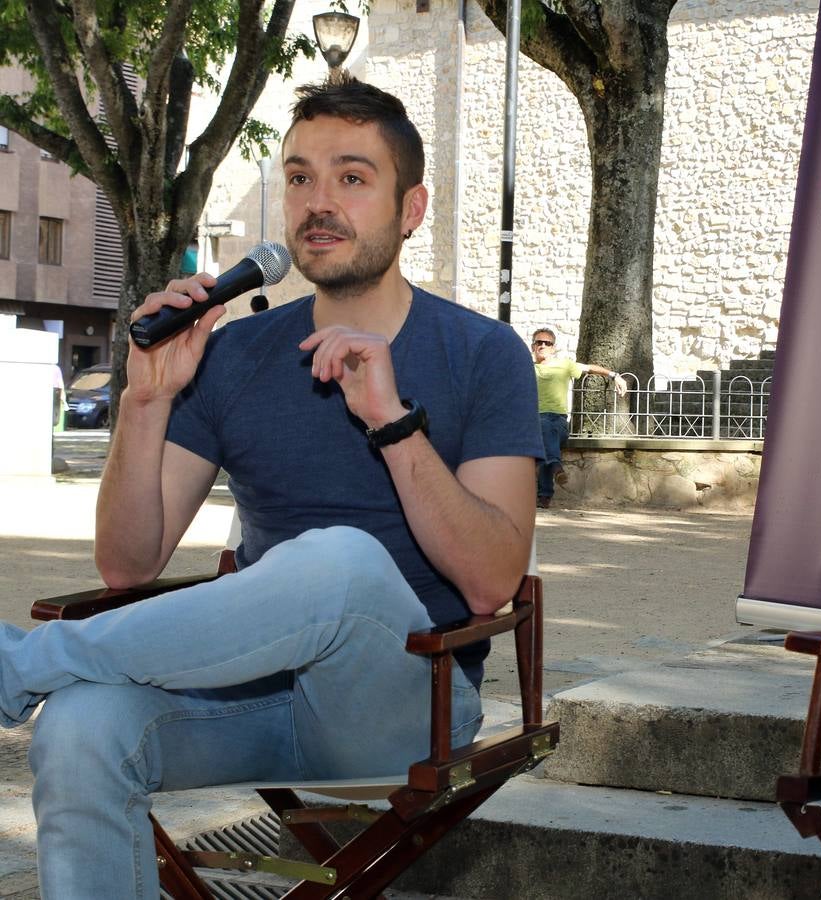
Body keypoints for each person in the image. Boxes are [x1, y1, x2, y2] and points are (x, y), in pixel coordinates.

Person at [2, 75, 541, 899]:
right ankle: (34, 676)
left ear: (411, 208)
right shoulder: (233, 354)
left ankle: (23, 665)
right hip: (247, 702)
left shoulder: (483, 353)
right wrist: (147, 400)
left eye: (352, 178)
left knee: (339, 561)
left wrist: (393, 423)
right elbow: (126, 566)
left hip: (404, 708)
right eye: (299, 177)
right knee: (79, 728)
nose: (317, 202)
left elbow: (491, 581)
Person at [531, 326, 627, 508]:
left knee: (547, 433)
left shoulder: (565, 365)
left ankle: (545, 492)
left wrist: (615, 376)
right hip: (535, 421)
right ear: (533, 346)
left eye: (547, 343)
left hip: (559, 421)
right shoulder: (527, 368)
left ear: (553, 348)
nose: (542, 345)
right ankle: (554, 468)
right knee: (542, 426)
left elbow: (590, 368)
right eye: (539, 342)